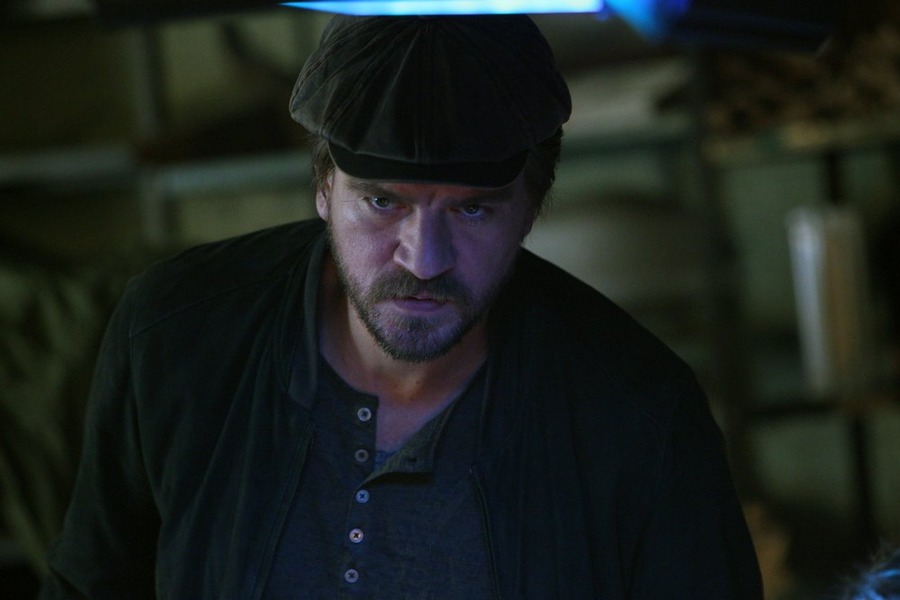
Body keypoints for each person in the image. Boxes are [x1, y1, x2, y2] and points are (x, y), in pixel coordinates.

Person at [41, 14, 763, 599]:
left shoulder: (638, 416)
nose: (424, 260)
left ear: (530, 208)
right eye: (383, 202)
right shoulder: (177, 337)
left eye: (473, 210)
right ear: (323, 188)